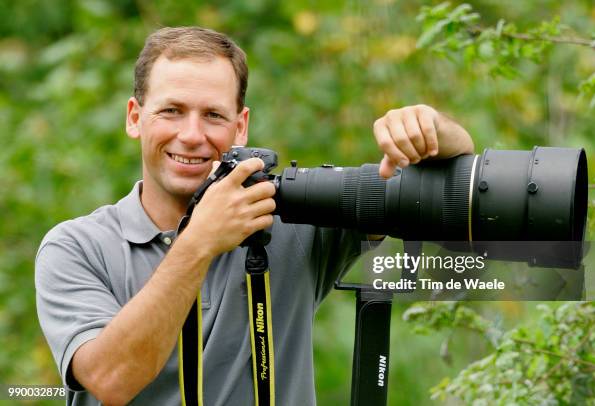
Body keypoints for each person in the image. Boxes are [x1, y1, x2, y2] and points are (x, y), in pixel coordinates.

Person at [35, 26, 474, 406]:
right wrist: (199, 241)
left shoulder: (290, 218)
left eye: (213, 115)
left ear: (240, 127)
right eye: (171, 111)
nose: (191, 135)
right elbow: (113, 380)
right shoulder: (76, 246)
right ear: (135, 117)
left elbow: (448, 193)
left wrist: (435, 129)